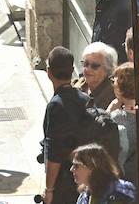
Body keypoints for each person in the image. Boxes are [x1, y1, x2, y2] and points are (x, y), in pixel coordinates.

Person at [42, 47, 90, 204]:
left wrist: (49, 190)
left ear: (49, 72)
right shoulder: (85, 99)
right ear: (73, 69)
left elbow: (54, 152)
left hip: (63, 183)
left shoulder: (55, 106)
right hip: (83, 179)